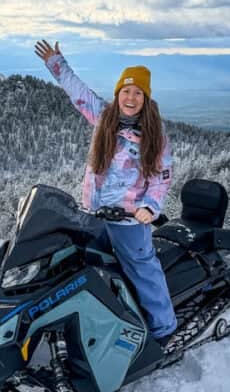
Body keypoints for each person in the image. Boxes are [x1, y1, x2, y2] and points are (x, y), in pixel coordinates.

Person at [35, 39, 178, 344]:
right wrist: (56, 63)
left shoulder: (154, 135)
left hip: (129, 219)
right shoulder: (104, 118)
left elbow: (161, 178)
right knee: (84, 265)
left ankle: (164, 329)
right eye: (126, 91)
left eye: (137, 92)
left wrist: (149, 208)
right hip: (94, 213)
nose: (130, 97)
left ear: (146, 98)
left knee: (143, 269)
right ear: (117, 94)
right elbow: (79, 92)